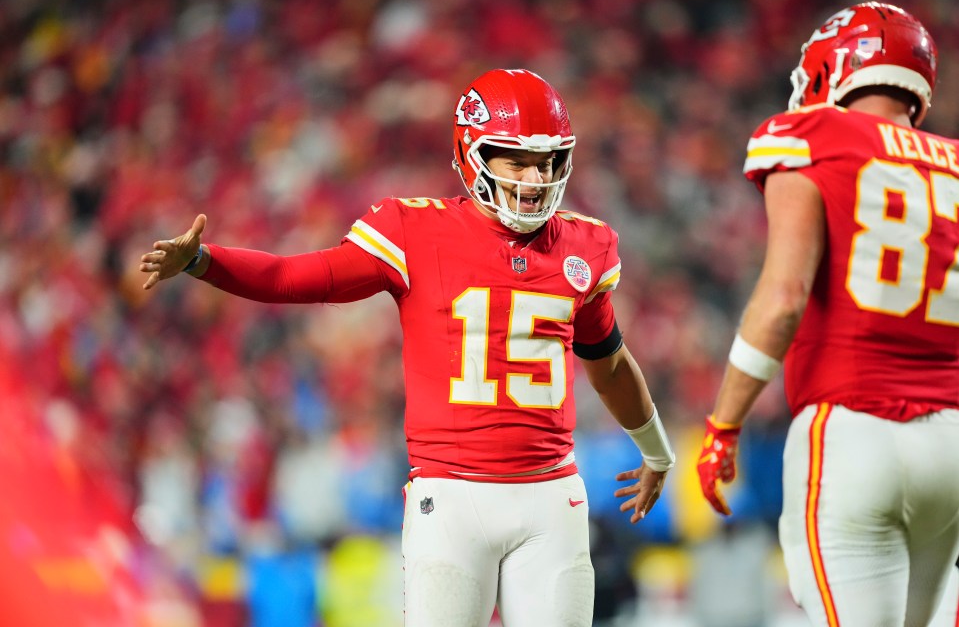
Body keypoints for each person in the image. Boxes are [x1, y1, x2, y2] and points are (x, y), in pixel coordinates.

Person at [140, 68, 675, 627]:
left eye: (548, 161)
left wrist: (656, 450)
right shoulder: (413, 231)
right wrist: (204, 261)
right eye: (516, 160)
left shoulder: (585, 246)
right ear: (474, 155)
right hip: (449, 496)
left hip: (551, 495)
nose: (536, 177)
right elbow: (300, 277)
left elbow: (609, 363)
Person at [695, 2, 959, 627]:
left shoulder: (813, 136)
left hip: (852, 431)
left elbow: (783, 299)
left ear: (829, 70)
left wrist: (724, 424)